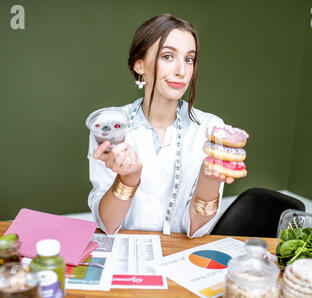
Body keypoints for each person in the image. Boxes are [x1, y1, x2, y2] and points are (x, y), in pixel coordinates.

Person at [86, 13, 244, 237]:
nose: (181, 70)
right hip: (123, 254)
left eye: (189, 59)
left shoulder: (210, 130)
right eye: (168, 56)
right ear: (139, 64)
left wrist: (209, 178)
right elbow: (108, 226)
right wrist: (127, 179)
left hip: (179, 256)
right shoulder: (110, 128)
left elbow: (196, 231)